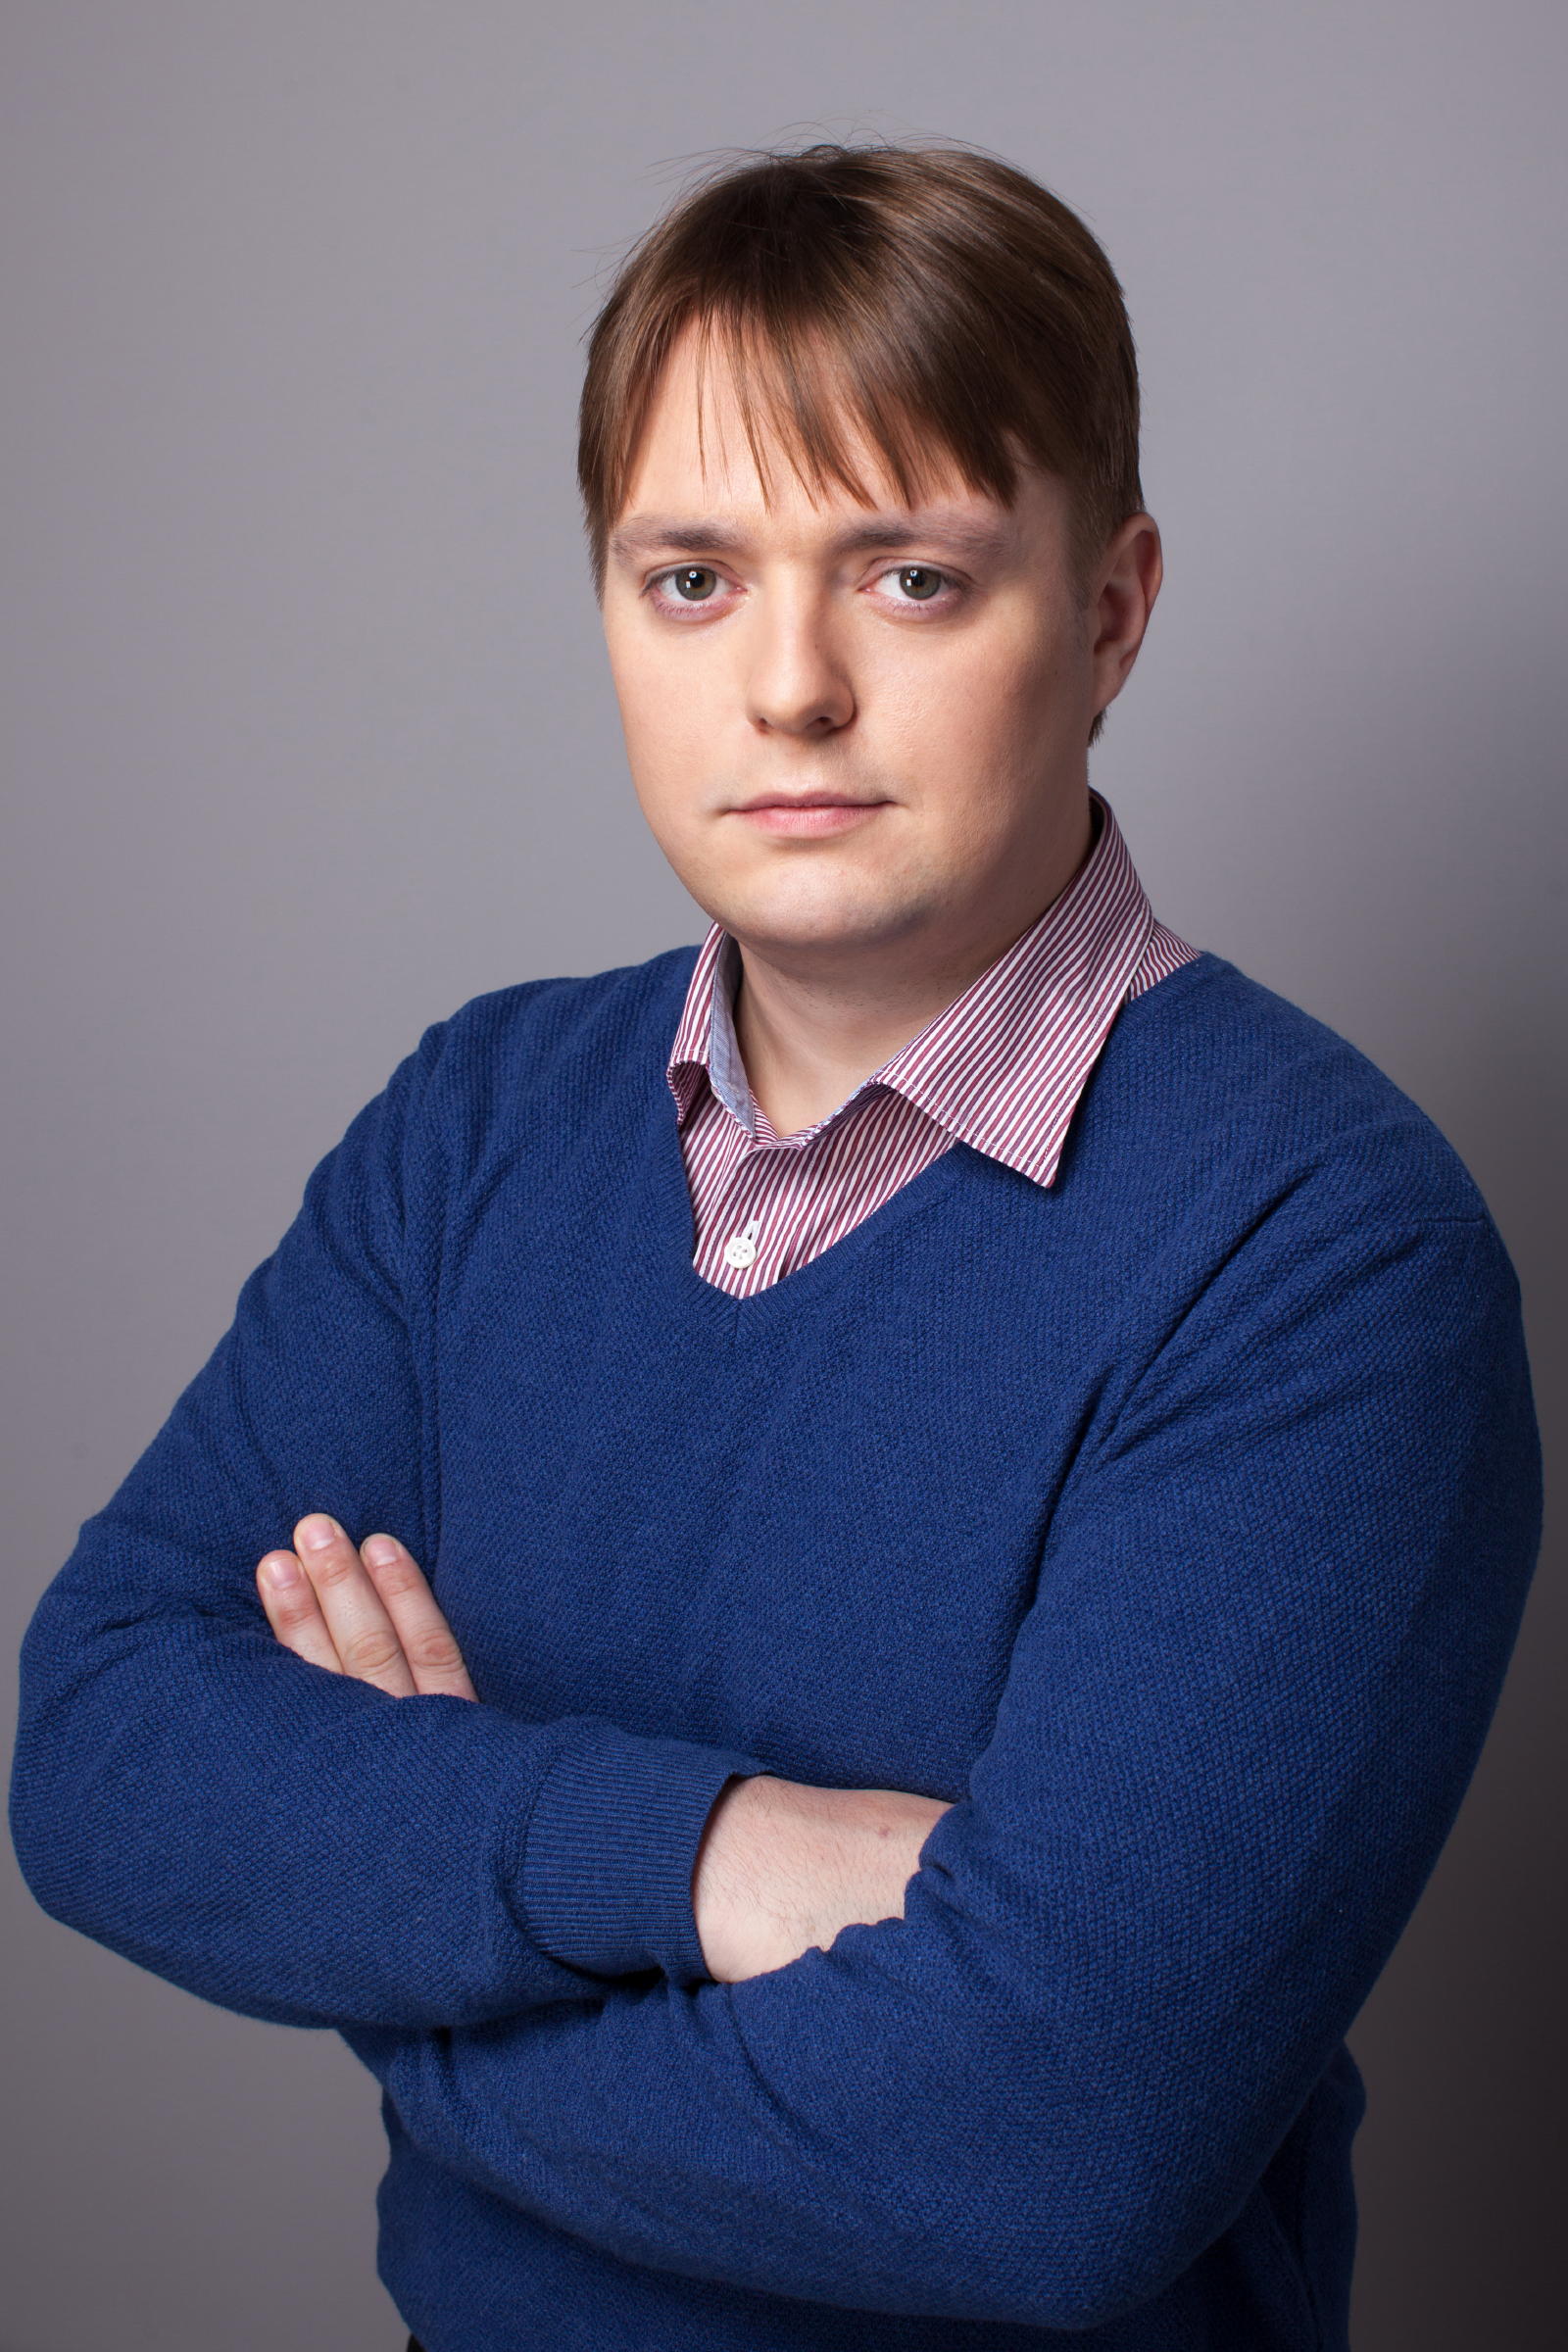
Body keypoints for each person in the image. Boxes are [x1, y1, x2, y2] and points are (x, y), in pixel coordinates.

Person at [9, 139, 1542, 2352]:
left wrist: (412, 1937)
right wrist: (710, 1856)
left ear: (1108, 613)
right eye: (691, 578)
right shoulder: (478, 1125)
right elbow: (101, 1747)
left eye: (910, 577)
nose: (790, 686)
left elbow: (1045, 2156)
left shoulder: (1319, 1252)